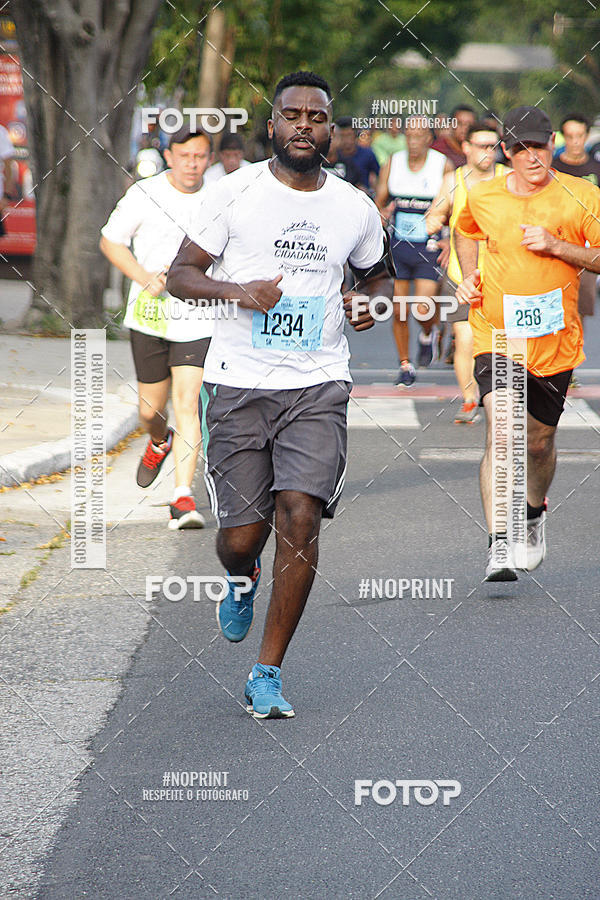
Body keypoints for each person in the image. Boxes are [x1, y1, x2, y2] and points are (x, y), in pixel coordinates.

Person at [167, 71, 394, 719]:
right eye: (291, 114)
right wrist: (240, 294)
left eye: (315, 117)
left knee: (299, 512)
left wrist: (370, 304)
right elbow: (181, 274)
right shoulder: (233, 193)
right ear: (273, 126)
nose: (303, 125)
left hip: (317, 383)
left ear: (331, 130)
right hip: (239, 381)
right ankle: (241, 577)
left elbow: (378, 275)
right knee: (242, 534)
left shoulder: (351, 205)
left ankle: (267, 673)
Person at [454, 106, 600, 581]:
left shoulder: (581, 196)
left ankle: (533, 514)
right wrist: (470, 277)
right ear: (505, 152)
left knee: (538, 444)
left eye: (538, 146)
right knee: (503, 430)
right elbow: (465, 232)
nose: (530, 156)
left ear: (552, 143)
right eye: (519, 149)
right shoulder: (483, 195)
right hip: (496, 334)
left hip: (555, 343)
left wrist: (558, 247)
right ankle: (499, 542)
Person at [100, 124, 214, 529]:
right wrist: (144, 276)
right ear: (170, 157)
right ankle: (158, 440)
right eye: (184, 156)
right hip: (150, 315)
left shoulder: (219, 198)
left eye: (199, 156)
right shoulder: (145, 193)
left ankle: (182, 497)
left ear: (209, 158)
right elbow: (111, 240)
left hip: (199, 316)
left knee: (188, 406)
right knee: (150, 411)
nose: (192, 164)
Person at [426, 121, 508, 423]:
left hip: (503, 274)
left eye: (493, 146)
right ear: (467, 148)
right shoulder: (453, 180)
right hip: (462, 275)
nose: (488, 152)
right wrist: (434, 221)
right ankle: (470, 398)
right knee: (464, 337)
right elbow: (436, 211)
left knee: (502, 341)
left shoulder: (509, 178)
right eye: (482, 146)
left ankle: (501, 396)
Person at [375, 115, 453, 386]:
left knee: (422, 308)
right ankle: (405, 365)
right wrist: (382, 212)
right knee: (399, 310)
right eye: (409, 134)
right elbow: (379, 200)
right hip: (399, 246)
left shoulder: (442, 166)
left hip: (428, 245)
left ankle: (428, 333)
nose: (413, 140)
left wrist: (449, 238)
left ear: (429, 139)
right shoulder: (393, 164)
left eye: (419, 135)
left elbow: (455, 207)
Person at [553, 114, 600, 344]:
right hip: (554, 246)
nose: (574, 142)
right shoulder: (552, 168)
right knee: (556, 309)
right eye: (569, 136)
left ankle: (572, 365)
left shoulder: (596, 169)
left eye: (579, 136)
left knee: (579, 312)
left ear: (586, 136)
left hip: (588, 249)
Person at [335, 115, 380, 192]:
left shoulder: (368, 154)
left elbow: (379, 176)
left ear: (355, 135)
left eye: (349, 135)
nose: (346, 140)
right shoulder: (333, 156)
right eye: (342, 136)